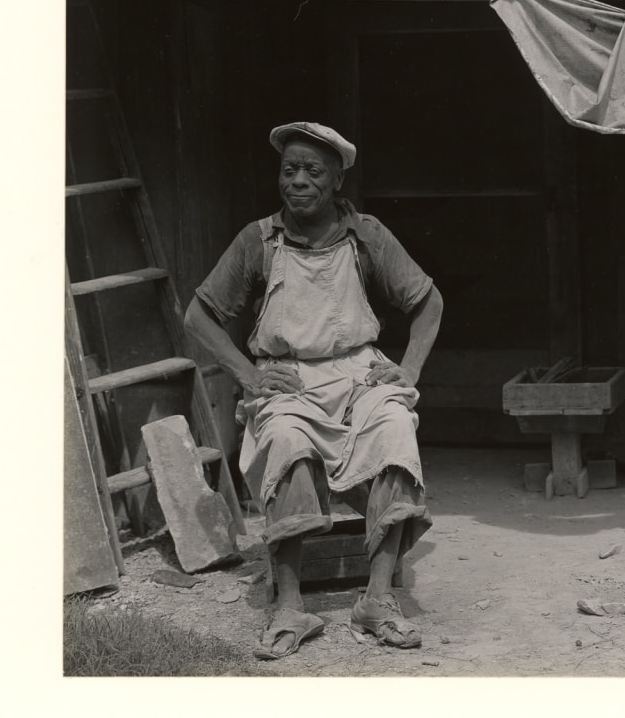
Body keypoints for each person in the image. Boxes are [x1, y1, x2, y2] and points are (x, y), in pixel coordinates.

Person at [184, 121, 443, 660]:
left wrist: (409, 371)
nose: (298, 181)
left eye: (313, 171)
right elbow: (198, 317)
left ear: (337, 179)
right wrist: (251, 377)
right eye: (289, 170)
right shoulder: (257, 240)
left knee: (395, 428)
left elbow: (428, 302)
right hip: (289, 379)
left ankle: (377, 599)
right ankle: (290, 606)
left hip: (357, 375)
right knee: (283, 440)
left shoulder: (365, 235)